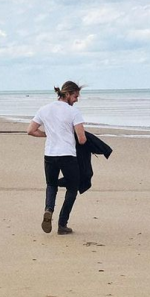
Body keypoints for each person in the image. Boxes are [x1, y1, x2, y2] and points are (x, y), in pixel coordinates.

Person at [27, 81, 87, 235]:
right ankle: (62, 224)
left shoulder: (44, 109)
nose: (76, 100)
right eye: (75, 96)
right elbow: (82, 139)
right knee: (73, 187)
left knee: (51, 184)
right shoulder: (74, 112)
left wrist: (48, 134)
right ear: (67, 94)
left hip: (50, 154)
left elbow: (31, 130)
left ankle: (49, 210)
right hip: (67, 155)